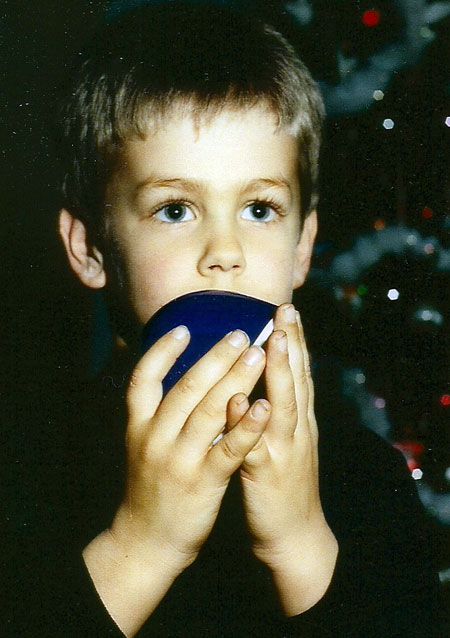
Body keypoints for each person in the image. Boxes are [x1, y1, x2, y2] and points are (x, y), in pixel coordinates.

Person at [7, 3, 442, 636]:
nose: (226, 254)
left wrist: (298, 541)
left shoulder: (365, 479)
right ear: (90, 249)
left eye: (260, 210)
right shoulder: (30, 462)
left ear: (302, 247)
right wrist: (144, 543)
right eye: (176, 209)